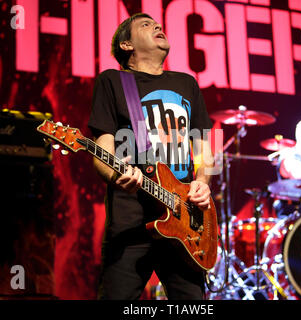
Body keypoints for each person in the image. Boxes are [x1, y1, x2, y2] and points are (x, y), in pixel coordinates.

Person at [88, 13, 214, 300]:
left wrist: (204, 182)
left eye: (157, 23)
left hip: (185, 221)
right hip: (131, 221)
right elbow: (103, 148)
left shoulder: (187, 83)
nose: (157, 26)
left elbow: (205, 145)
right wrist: (117, 174)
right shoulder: (113, 81)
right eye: (145, 25)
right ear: (127, 44)